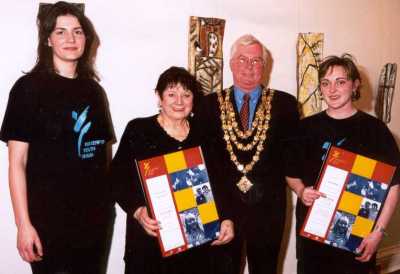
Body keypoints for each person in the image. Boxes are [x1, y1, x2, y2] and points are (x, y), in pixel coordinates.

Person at [0, 2, 115, 273]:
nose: (71, 39)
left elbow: (103, 159)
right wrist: (23, 225)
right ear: (48, 39)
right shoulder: (27, 88)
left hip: (95, 221)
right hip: (48, 221)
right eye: (61, 32)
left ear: (87, 38)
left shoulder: (94, 92)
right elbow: (17, 163)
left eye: (77, 31)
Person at [111, 66, 234, 274]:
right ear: (159, 97)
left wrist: (228, 218)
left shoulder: (207, 132)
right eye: (171, 94)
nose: (179, 101)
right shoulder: (138, 130)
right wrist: (138, 211)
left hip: (200, 247)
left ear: (193, 100)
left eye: (186, 95)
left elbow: (224, 181)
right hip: (151, 244)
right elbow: (116, 178)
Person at [286, 54, 400, 274]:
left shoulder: (375, 130)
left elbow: (394, 185)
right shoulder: (305, 128)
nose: (332, 90)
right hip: (313, 234)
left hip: (356, 234)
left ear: (355, 85)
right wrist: (301, 191)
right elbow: (291, 174)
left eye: (341, 82)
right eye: (326, 83)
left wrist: (378, 232)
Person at [198, 34, 299, 274]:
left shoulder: (284, 104)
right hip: (223, 207)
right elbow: (203, 160)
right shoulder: (209, 105)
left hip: (268, 209)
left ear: (265, 66)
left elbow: (294, 156)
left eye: (256, 61)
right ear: (231, 64)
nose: (249, 66)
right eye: (242, 60)